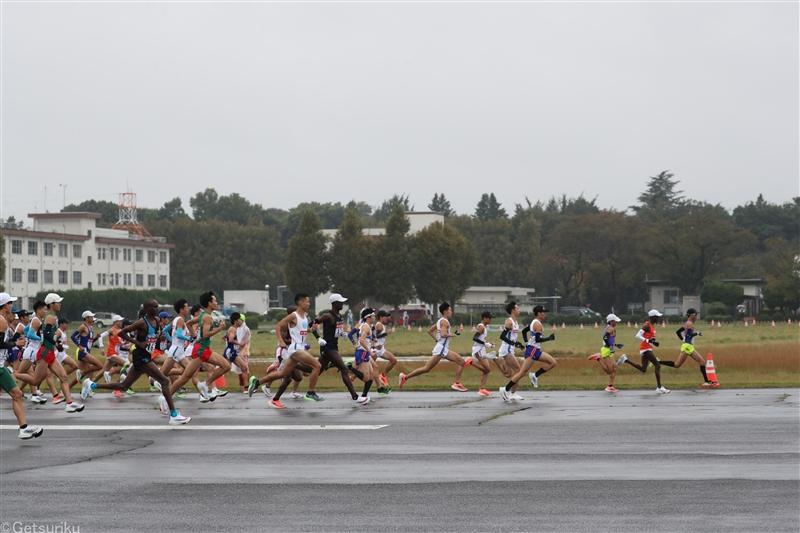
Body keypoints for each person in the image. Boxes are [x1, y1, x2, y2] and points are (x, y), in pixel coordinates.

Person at [81, 299, 190, 425]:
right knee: (164, 381)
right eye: (154, 307)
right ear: (148, 308)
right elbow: (122, 333)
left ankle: (92, 385)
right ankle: (173, 415)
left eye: (157, 306)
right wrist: (138, 343)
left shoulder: (157, 321)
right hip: (140, 356)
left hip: (146, 356)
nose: (156, 309)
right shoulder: (141, 323)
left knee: (124, 386)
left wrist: (159, 338)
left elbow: (157, 334)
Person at [256, 293, 323, 407]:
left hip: (299, 348)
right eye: (307, 301)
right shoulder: (293, 315)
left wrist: (311, 330)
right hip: (295, 348)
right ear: (300, 302)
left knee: (283, 373)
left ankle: (258, 382)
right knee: (317, 366)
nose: (308, 303)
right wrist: (281, 341)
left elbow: (302, 331)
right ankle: (310, 392)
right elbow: (278, 326)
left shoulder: (305, 317)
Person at [24, 293, 84, 412]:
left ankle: (69, 404)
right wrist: (56, 341)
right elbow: (46, 335)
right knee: (36, 380)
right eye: (58, 302)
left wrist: (56, 342)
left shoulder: (52, 316)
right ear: (52, 304)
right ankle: (14, 375)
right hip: (45, 352)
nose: (60, 304)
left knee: (64, 377)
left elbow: (47, 334)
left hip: (50, 352)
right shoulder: (50, 317)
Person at [167, 291, 231, 402]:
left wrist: (193, 335)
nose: (216, 302)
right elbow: (205, 334)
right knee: (226, 366)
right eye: (214, 300)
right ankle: (205, 384)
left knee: (185, 377)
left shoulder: (203, 315)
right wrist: (220, 329)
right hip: (202, 350)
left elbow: (189, 323)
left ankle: (165, 398)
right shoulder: (207, 317)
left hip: (199, 348)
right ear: (209, 303)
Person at [0, 292, 44, 439]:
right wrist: (15, 343)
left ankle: (23, 428)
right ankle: (23, 428)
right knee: (17, 394)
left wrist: (15, 339)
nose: (12, 305)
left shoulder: (4, 320)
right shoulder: (2, 321)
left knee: (17, 394)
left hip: (1, 366)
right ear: (5, 305)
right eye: (10, 303)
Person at [399, 302, 469, 392]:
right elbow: (443, 334)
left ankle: (405, 377)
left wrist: (437, 340)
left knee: (426, 369)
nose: (451, 312)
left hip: (441, 348)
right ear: (445, 311)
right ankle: (457, 383)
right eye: (450, 310)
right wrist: (454, 335)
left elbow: (430, 331)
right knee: (462, 362)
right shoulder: (445, 322)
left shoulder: (440, 321)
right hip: (442, 349)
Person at [309, 293, 362, 402]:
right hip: (328, 348)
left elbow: (337, 330)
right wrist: (318, 338)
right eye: (340, 302)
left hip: (334, 346)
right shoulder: (328, 316)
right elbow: (311, 324)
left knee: (315, 370)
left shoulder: (339, 316)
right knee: (343, 369)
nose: (342, 303)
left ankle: (295, 370)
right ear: (334, 303)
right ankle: (355, 396)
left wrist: (343, 334)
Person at [501, 305, 557, 401]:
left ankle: (534, 375)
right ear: (539, 313)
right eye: (543, 312)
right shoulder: (537, 324)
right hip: (533, 351)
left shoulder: (535, 322)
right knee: (521, 372)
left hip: (535, 350)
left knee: (553, 362)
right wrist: (549, 338)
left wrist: (527, 343)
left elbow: (524, 331)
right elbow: (538, 339)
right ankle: (505, 389)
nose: (545, 314)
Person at [659, 308, 718, 388]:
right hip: (687, 347)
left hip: (688, 346)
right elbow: (689, 335)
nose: (697, 316)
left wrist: (684, 338)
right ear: (691, 315)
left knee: (700, 362)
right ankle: (658, 361)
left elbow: (678, 332)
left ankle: (707, 382)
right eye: (695, 314)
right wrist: (694, 334)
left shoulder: (688, 323)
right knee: (679, 364)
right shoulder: (689, 323)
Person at [618, 309, 670, 394]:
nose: (658, 319)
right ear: (653, 317)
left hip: (647, 348)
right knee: (657, 365)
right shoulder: (647, 325)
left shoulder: (652, 325)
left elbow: (650, 337)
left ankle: (625, 360)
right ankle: (659, 387)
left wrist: (653, 342)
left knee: (643, 369)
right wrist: (647, 341)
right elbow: (637, 335)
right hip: (645, 349)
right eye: (657, 317)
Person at [495, 301, 525, 399]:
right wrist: (513, 343)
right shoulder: (509, 321)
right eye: (517, 308)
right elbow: (502, 336)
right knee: (519, 370)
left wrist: (518, 344)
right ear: (513, 310)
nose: (519, 310)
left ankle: (512, 393)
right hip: (506, 350)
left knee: (513, 372)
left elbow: (512, 337)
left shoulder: (515, 322)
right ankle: (508, 391)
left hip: (510, 349)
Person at [589, 313, 625, 393]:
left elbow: (609, 339)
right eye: (615, 321)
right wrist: (609, 346)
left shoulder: (611, 328)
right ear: (611, 321)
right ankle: (598, 358)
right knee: (609, 371)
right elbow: (605, 337)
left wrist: (615, 345)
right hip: (606, 350)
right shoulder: (610, 328)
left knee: (614, 369)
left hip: (609, 349)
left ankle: (610, 386)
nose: (616, 322)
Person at [464, 310, 495, 396]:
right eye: (489, 318)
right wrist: (485, 344)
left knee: (486, 370)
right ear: (485, 318)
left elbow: (481, 339)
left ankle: (482, 389)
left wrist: (488, 344)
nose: (490, 320)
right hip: (478, 350)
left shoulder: (483, 327)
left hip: (481, 349)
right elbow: (475, 338)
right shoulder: (481, 327)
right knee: (487, 369)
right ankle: (471, 362)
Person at [71, 311, 104, 384]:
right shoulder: (83, 326)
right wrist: (79, 346)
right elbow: (73, 336)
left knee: (89, 373)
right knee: (100, 366)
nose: (93, 318)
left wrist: (96, 338)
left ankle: (83, 389)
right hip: (83, 352)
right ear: (86, 318)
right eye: (91, 317)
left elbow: (90, 342)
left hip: (87, 352)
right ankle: (82, 373)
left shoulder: (90, 328)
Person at [352, 308, 376, 404]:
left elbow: (365, 340)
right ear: (368, 317)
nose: (374, 317)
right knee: (366, 378)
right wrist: (370, 351)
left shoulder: (367, 326)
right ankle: (349, 367)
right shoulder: (366, 326)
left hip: (364, 352)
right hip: (362, 352)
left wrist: (373, 346)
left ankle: (364, 396)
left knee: (371, 377)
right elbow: (361, 340)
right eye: (373, 315)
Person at [372, 310, 398, 391]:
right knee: (367, 367)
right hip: (375, 350)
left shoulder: (382, 325)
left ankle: (383, 375)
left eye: (387, 316)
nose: (387, 318)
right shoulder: (379, 325)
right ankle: (352, 377)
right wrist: (385, 334)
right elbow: (373, 336)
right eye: (385, 317)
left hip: (381, 350)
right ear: (381, 317)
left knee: (393, 360)